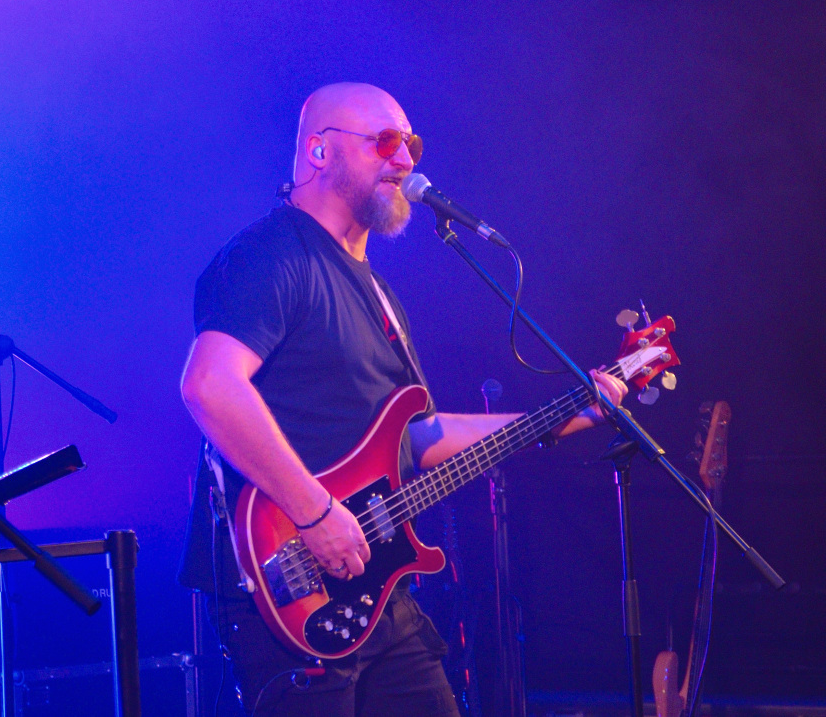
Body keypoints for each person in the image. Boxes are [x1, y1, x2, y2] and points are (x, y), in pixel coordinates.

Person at [178, 82, 626, 715]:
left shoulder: (381, 296)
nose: (405, 160)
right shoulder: (271, 255)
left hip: (377, 589)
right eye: (384, 142)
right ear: (319, 152)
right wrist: (314, 514)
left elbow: (419, 437)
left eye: (411, 144)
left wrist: (562, 417)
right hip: (290, 581)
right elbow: (209, 386)